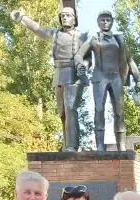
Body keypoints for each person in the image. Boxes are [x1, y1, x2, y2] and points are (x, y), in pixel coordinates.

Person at [10, 6, 87, 152]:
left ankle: (72, 145)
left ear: (74, 18)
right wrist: (22, 18)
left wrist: (84, 66)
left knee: (71, 108)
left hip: (73, 73)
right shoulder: (55, 34)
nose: (65, 17)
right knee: (62, 112)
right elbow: (38, 29)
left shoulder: (81, 37)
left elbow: (88, 57)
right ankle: (67, 144)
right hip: (59, 73)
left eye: (68, 15)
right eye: (62, 15)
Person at [74, 10, 140, 150]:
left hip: (116, 78)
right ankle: (99, 146)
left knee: (119, 111)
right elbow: (79, 55)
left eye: (108, 20)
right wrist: (80, 66)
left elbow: (130, 60)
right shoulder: (93, 39)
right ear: (98, 22)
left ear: (112, 22)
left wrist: (138, 79)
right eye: (102, 20)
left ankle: (121, 146)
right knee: (99, 109)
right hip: (99, 78)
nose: (105, 22)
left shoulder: (119, 40)